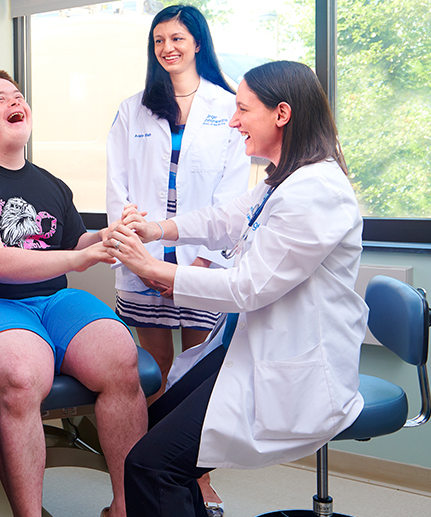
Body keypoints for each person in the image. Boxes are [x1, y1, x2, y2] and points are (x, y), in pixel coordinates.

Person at [108, 61, 367, 517]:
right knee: (156, 428)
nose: (232, 121)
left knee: (151, 465)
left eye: (243, 110)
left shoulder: (315, 190)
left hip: (295, 369)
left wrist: (152, 269)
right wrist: (157, 229)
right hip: (255, 351)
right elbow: (223, 219)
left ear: (281, 114)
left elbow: (248, 288)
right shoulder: (282, 180)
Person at [0, 70, 148, 517]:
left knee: (120, 355)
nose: (16, 102)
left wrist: (105, 238)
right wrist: (77, 259)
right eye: (0, 98)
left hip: (52, 301)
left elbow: (73, 241)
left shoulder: (50, 183)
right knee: (23, 372)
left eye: (19, 96)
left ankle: (125, 508)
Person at [107, 4, 250, 400]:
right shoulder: (132, 109)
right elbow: (117, 187)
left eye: (176, 39)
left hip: (202, 261)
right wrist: (136, 257)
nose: (167, 48)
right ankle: (152, 455)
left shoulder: (228, 107)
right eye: (159, 40)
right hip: (143, 259)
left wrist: (206, 262)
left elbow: (233, 195)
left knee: (198, 370)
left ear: (197, 43)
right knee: (152, 372)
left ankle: (191, 462)